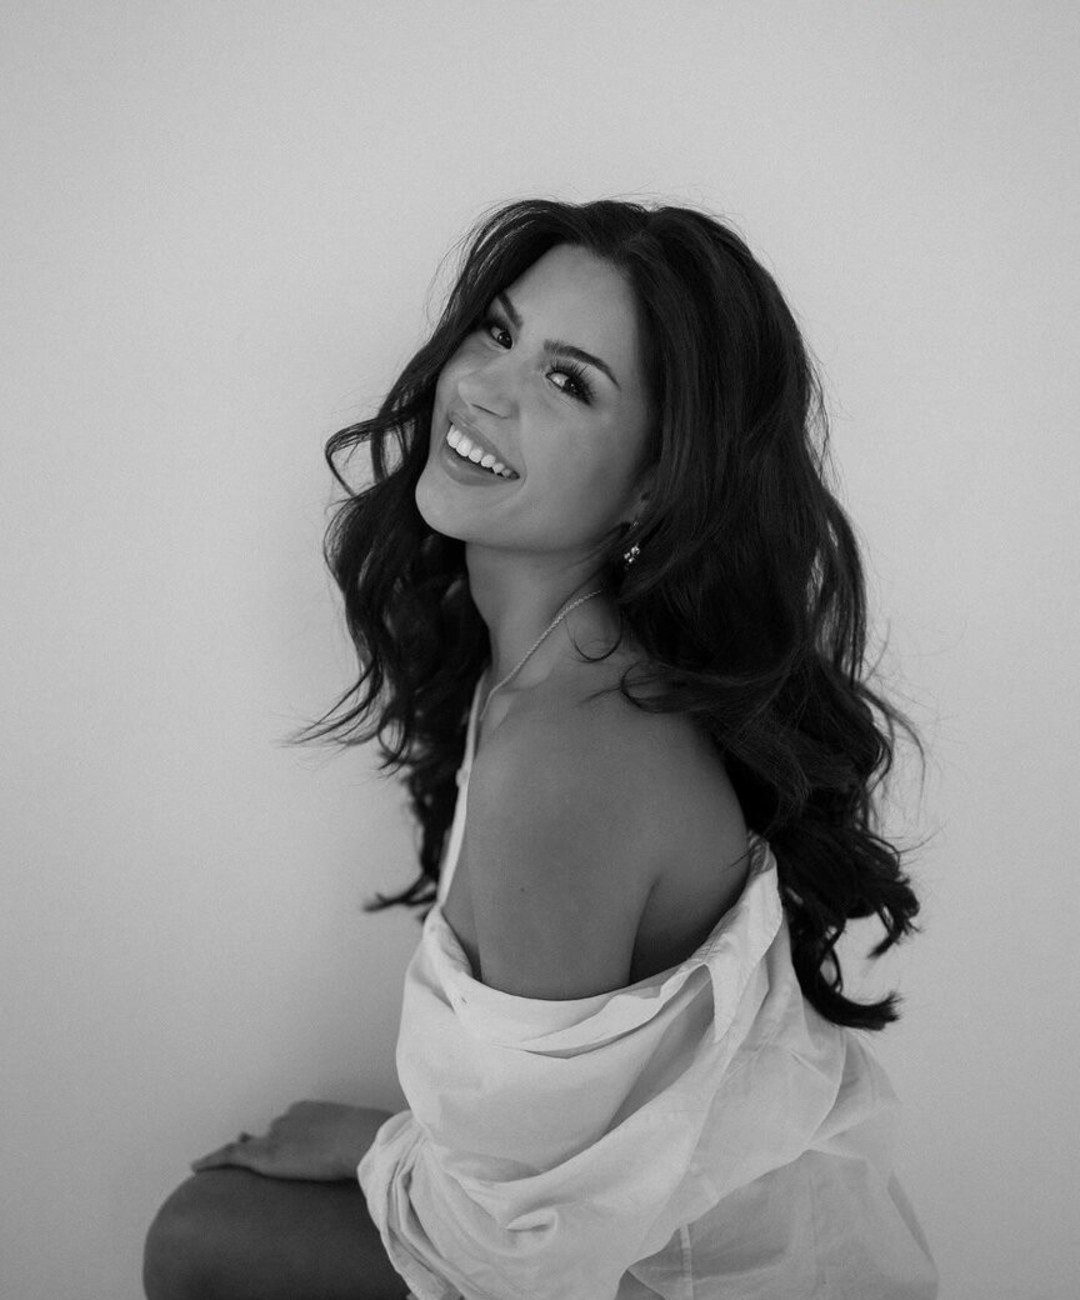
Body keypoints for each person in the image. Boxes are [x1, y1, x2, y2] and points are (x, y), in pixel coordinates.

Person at [144, 198, 939, 1298]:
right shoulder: (551, 665)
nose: (483, 386)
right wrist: (389, 1147)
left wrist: (380, 1151)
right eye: (499, 331)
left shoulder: (572, 754)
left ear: (658, 481)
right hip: (628, 1239)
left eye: (570, 381)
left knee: (196, 1242)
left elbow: (521, 1266)